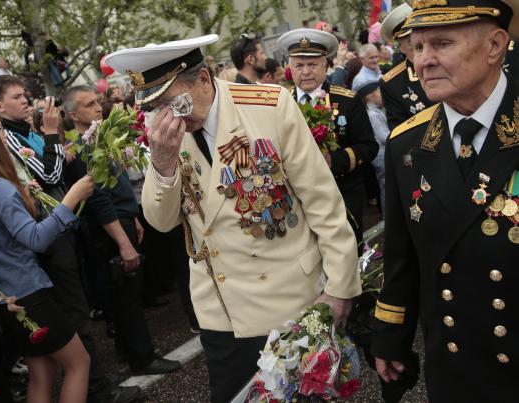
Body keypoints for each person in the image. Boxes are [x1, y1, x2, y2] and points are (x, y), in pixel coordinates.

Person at [106, 34, 361, 403]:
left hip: (288, 298)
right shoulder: (166, 134)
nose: (169, 116)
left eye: (175, 102)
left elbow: (322, 201)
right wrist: (161, 165)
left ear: (204, 80)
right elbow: (162, 223)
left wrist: (339, 288)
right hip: (221, 309)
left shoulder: (268, 106)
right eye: (156, 107)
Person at [372, 1, 519, 401]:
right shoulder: (406, 142)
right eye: (418, 48)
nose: (423, 62)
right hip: (455, 368)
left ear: (495, 45)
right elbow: (402, 256)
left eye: (441, 43)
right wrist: (391, 336)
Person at [0, 107, 94, 403]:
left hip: (6, 296)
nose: (3, 134)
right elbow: (36, 239)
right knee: (78, 363)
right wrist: (70, 200)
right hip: (28, 293)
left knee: (42, 374)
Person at [61, 85, 182, 376]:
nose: (97, 107)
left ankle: (129, 350)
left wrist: (133, 218)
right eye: (89, 105)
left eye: (96, 101)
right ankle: (142, 357)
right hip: (110, 228)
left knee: (127, 294)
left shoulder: (99, 136)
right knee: (127, 296)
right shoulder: (81, 146)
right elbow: (99, 199)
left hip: (123, 218)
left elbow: (118, 185)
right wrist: (123, 242)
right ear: (73, 114)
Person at [280, 28, 379, 245]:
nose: (305, 71)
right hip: (298, 200)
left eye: (312, 64)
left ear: (325, 66)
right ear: (290, 68)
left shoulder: (348, 100)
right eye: (299, 65)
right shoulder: (280, 103)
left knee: (347, 256)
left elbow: (369, 147)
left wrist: (334, 160)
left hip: (342, 194)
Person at [0, 75, 65, 189]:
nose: (25, 101)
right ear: (0, 106)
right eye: (17, 97)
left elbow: (55, 168)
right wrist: (51, 132)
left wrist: (62, 156)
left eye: (24, 95)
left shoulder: (29, 133)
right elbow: (50, 177)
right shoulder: (7, 138)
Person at [379, 3, 432, 130]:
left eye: (420, 35)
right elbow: (400, 133)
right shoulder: (392, 83)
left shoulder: (450, 63)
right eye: (409, 40)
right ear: (401, 47)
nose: (416, 42)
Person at [355, 80, 388, 212]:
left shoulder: (374, 112)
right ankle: (387, 217)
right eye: (378, 91)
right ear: (370, 96)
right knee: (386, 187)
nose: (381, 93)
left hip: (381, 155)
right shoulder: (373, 115)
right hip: (382, 157)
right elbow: (383, 137)